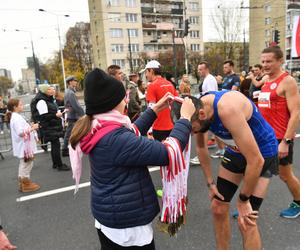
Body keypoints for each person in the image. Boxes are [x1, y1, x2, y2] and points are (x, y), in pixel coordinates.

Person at [69, 68, 195, 249]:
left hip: (111, 218)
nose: (126, 100)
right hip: (127, 228)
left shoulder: (98, 126)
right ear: (112, 103)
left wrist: (155, 109)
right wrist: (185, 118)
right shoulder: (115, 138)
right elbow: (168, 153)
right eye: (123, 97)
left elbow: (131, 133)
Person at [192, 90, 278, 250]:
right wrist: (210, 184)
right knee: (218, 207)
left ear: (202, 114)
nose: (193, 133)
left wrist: (243, 200)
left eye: (194, 129)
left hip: (262, 153)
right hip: (236, 150)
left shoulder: (226, 108)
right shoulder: (197, 108)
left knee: (246, 219)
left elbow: (256, 160)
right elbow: (201, 146)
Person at [258, 46, 300, 218]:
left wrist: (286, 142)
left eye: (269, 61)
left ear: (280, 61)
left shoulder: (287, 81)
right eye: (263, 61)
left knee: (285, 175)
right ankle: (249, 206)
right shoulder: (266, 80)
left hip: (280, 138)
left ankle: (298, 202)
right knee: (256, 170)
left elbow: (296, 112)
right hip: (264, 137)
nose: (265, 65)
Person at [31, 84, 70, 171]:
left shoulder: (47, 99)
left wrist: (57, 113)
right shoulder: (42, 101)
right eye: (49, 89)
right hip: (49, 127)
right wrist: (56, 115)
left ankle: (55, 164)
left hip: (52, 126)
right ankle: (59, 165)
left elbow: (48, 113)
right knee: (56, 145)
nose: (52, 90)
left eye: (52, 89)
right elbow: (44, 117)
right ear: (44, 91)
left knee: (54, 145)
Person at [7, 98, 40, 192]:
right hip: (24, 146)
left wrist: (30, 127)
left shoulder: (16, 116)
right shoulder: (16, 118)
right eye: (20, 105)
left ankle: (24, 183)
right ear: (15, 107)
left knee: (26, 163)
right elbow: (20, 132)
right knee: (26, 163)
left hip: (25, 145)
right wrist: (32, 128)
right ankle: (25, 183)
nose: (22, 106)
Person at [190, 61, 218, 165]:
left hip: (207, 110)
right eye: (198, 69)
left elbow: (210, 95)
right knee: (203, 134)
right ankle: (202, 156)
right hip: (206, 109)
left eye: (201, 69)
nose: (199, 71)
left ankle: (201, 157)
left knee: (203, 133)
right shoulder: (207, 79)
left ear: (206, 69)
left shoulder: (209, 79)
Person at [144, 60, 178, 141]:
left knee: (159, 152)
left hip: (158, 127)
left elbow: (151, 109)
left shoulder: (152, 86)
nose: (146, 75)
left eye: (146, 72)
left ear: (151, 71)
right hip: (171, 125)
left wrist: (149, 131)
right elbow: (176, 103)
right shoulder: (170, 84)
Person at [62, 76, 84, 157]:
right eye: (74, 81)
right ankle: (64, 150)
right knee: (69, 133)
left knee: (71, 133)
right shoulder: (70, 93)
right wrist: (84, 115)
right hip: (73, 116)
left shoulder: (69, 91)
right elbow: (76, 106)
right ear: (70, 82)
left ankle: (68, 148)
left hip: (72, 115)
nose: (76, 82)